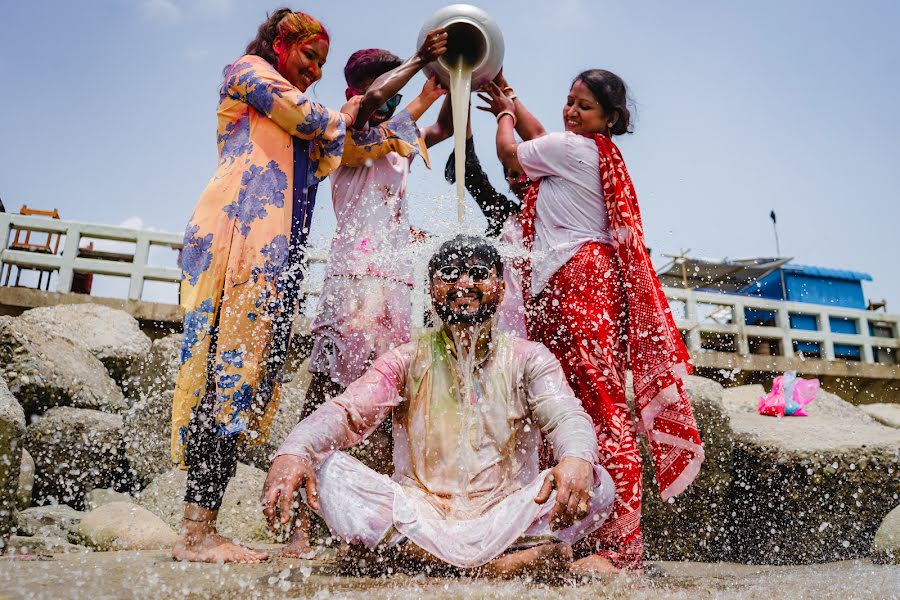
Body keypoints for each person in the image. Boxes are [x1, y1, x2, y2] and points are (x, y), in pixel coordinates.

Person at [262, 235, 615, 578]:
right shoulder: (407, 359)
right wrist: (294, 452)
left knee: (599, 483)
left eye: (479, 273)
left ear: (501, 287)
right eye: (449, 274)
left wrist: (576, 457)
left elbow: (566, 414)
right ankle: (496, 567)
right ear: (431, 290)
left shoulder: (528, 358)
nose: (464, 283)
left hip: (505, 516)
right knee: (328, 470)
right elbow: (346, 412)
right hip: (422, 513)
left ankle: (406, 557)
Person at [478, 70, 704, 573]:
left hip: (578, 281)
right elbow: (544, 138)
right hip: (569, 281)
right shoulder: (585, 150)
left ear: (608, 118)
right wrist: (512, 100)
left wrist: (505, 115)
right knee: (560, 406)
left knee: (601, 410)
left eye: (584, 107)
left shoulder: (577, 149)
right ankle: (576, 538)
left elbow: (512, 153)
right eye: (569, 102)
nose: (570, 112)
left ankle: (622, 549)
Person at [171, 8, 360, 564]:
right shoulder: (246, 71)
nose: (315, 70)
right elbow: (313, 120)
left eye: (322, 63)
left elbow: (329, 149)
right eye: (309, 56)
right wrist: (338, 115)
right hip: (239, 241)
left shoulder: (281, 95)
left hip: (272, 253)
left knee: (244, 378)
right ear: (281, 43)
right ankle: (196, 534)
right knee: (224, 374)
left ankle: (201, 528)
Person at [282, 33, 455, 557]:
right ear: (358, 91)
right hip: (354, 280)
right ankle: (298, 523)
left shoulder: (397, 133)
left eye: (398, 97)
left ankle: (367, 524)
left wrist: (460, 80)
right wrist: (421, 63)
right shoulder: (344, 132)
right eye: (384, 93)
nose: (394, 103)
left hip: (394, 287)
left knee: (386, 400)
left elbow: (442, 124)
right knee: (327, 393)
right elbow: (378, 105)